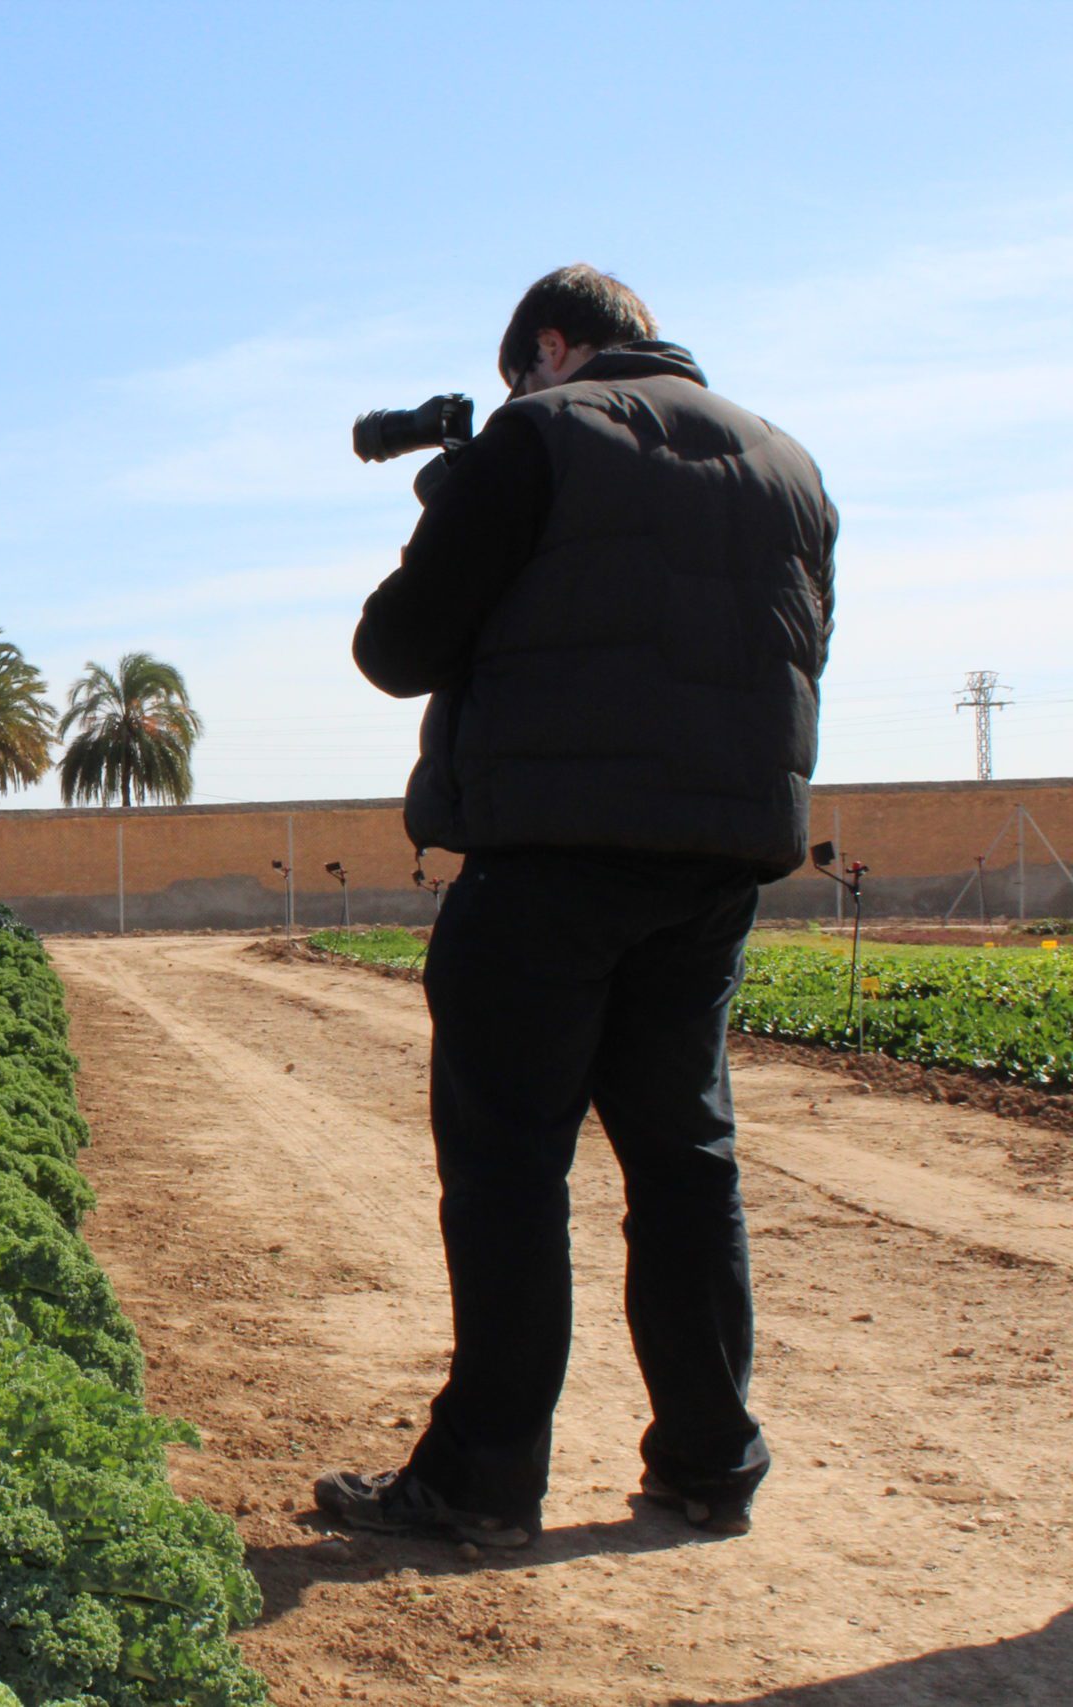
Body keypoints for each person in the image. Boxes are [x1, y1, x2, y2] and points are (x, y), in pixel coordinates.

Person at [314, 266, 836, 1550]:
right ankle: (710, 1462)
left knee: (506, 1172)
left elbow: (396, 649)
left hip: (546, 862)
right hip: (711, 869)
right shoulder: (789, 463)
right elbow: (788, 652)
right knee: (683, 1164)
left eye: (515, 380)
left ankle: (484, 1479)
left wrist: (454, 510)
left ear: (549, 348)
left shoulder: (541, 438)